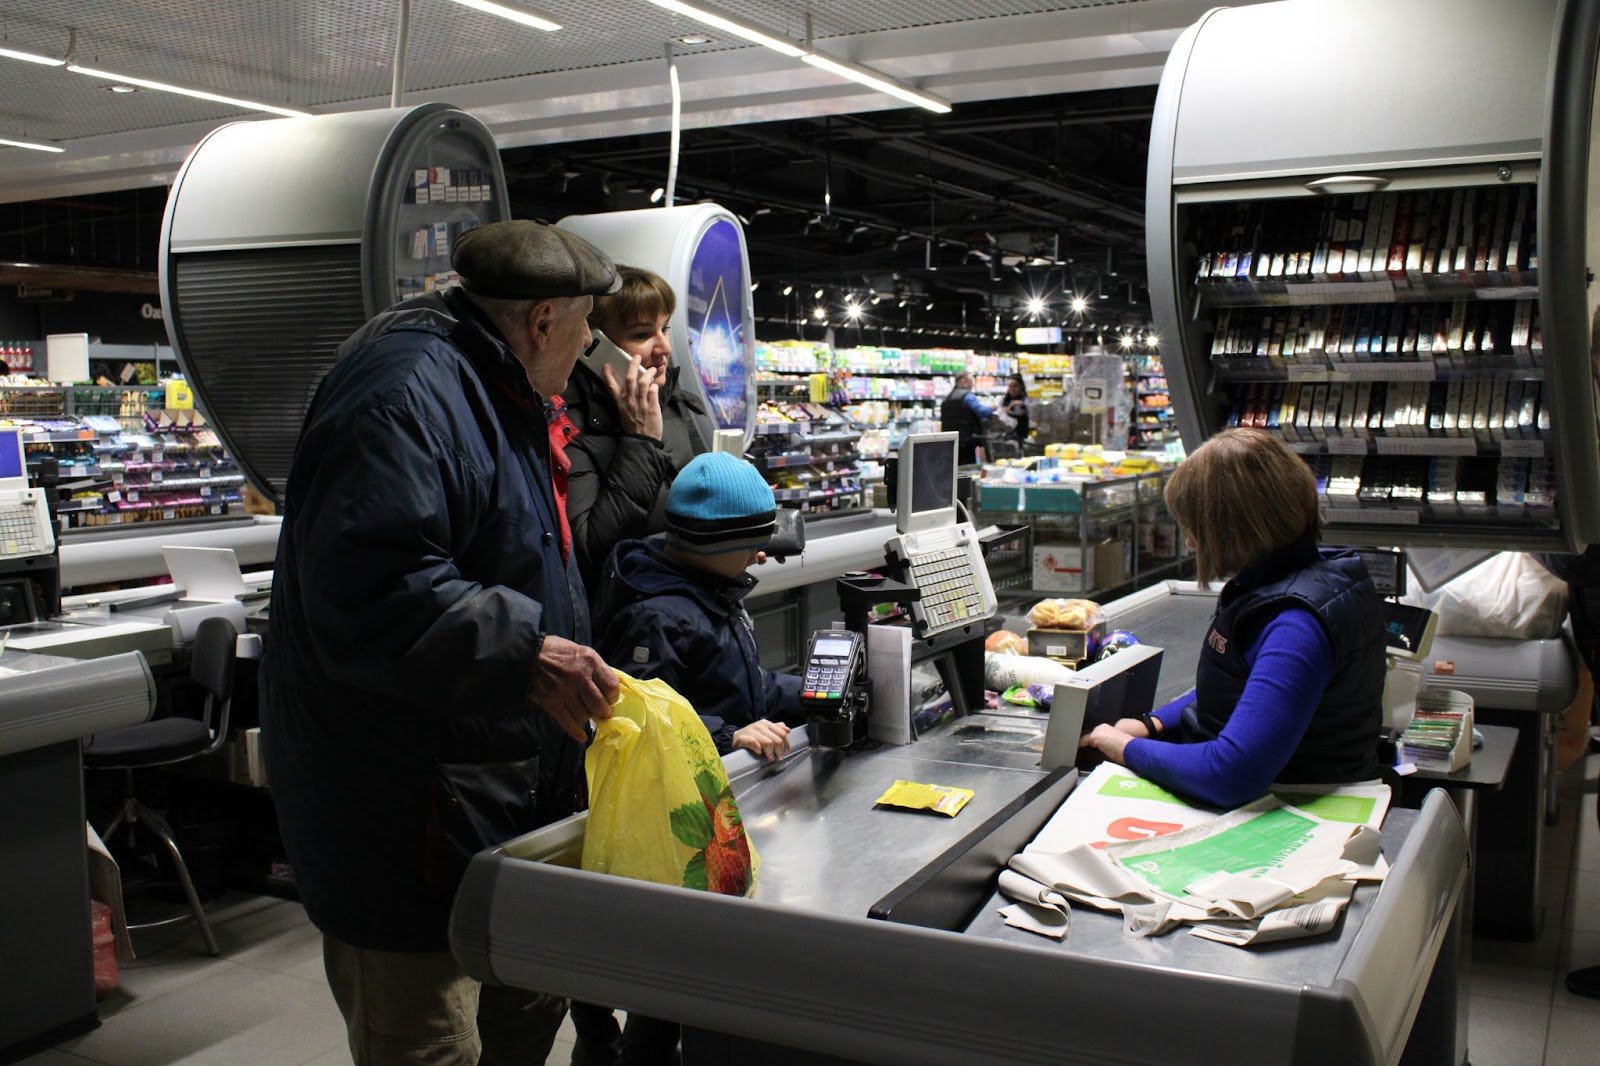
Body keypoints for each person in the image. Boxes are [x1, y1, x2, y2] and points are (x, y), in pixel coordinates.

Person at [260, 219, 623, 1066]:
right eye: (583, 328)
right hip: (408, 823)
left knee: (525, 1016)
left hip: (494, 799)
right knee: (424, 1040)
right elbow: (367, 589)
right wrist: (530, 652)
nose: (587, 350)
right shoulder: (405, 391)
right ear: (541, 321)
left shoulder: (495, 387)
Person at [1079, 427, 1385, 808]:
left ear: (1234, 530)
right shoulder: (1311, 576)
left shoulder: (1295, 625)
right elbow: (1246, 692)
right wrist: (1151, 723)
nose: (1191, 543)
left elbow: (1230, 774)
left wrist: (1126, 748)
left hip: (1294, 808)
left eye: (1195, 529)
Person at [563, 266, 706, 596]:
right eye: (643, 335)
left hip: (690, 606)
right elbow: (590, 552)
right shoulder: (568, 421)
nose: (664, 347)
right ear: (594, 344)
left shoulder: (672, 402)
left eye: (664, 329)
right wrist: (641, 440)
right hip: (626, 622)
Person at [940, 370, 994, 465]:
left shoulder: (947, 399)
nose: (972, 385)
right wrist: (993, 408)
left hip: (950, 442)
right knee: (968, 469)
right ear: (964, 381)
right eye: (971, 381)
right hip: (967, 441)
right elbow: (982, 412)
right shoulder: (967, 396)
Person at [1003, 373, 1030, 449]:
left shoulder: (1024, 399)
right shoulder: (1006, 400)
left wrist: (1017, 404)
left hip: (1021, 437)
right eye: (1010, 386)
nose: (1012, 389)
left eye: (1015, 386)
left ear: (1020, 386)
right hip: (1008, 438)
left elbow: (1028, 406)